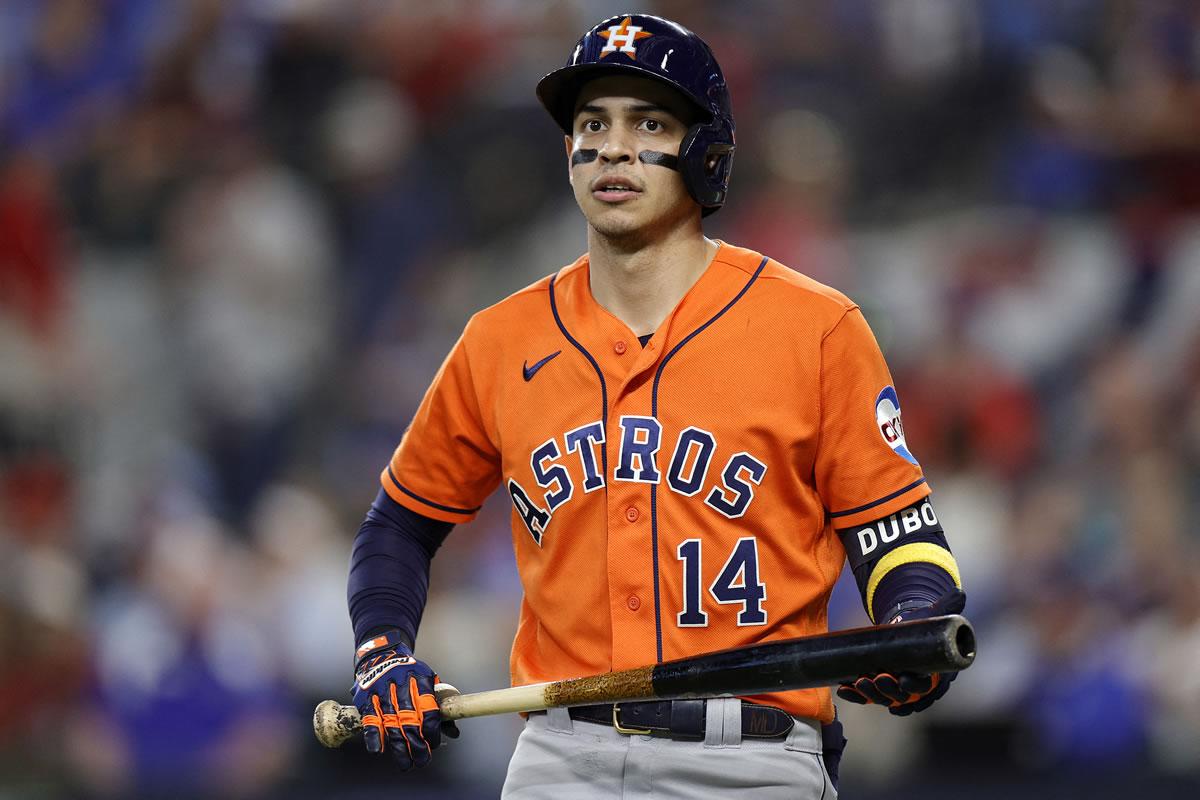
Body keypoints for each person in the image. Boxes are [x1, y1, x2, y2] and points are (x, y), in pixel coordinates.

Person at [346, 14, 965, 799]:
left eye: (649, 123)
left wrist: (910, 617)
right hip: (561, 759)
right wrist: (383, 649)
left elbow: (899, 534)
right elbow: (399, 524)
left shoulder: (816, 327)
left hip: (752, 759)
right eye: (591, 123)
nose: (612, 146)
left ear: (707, 153)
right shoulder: (499, 338)